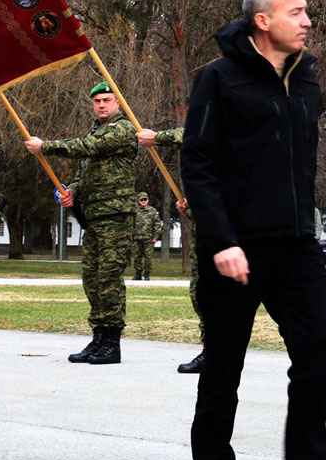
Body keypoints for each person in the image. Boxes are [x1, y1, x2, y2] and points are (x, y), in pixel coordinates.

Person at [180, 0, 326, 460]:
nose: (307, 21)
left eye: (307, 12)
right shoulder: (218, 78)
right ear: (263, 21)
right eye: (296, 12)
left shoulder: (307, 83)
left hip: (297, 248)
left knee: (317, 353)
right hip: (235, 251)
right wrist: (221, 241)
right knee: (224, 367)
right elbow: (198, 165)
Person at [26, 81, 139, 365]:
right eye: (97, 101)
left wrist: (45, 147)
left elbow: (85, 147)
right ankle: (98, 336)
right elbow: (82, 172)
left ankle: (112, 343)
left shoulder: (122, 129)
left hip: (115, 216)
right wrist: (73, 191)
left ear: (117, 104)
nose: (101, 105)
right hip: (94, 217)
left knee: (109, 280)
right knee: (92, 279)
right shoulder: (95, 130)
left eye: (106, 100)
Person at [137, 126, 205, 374]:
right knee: (200, 293)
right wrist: (192, 208)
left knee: (215, 296)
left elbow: (201, 133)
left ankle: (221, 352)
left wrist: (157, 138)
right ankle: (213, 350)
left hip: (227, 232)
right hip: (206, 227)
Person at [131, 192, 162, 280]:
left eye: (145, 199)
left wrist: (156, 237)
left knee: (148, 257)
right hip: (136, 238)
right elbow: (131, 223)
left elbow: (157, 224)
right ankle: (138, 274)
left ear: (148, 200)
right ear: (138, 201)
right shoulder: (135, 211)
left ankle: (147, 274)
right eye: (141, 200)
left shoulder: (152, 211)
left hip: (149, 238)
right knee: (137, 257)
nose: (143, 201)